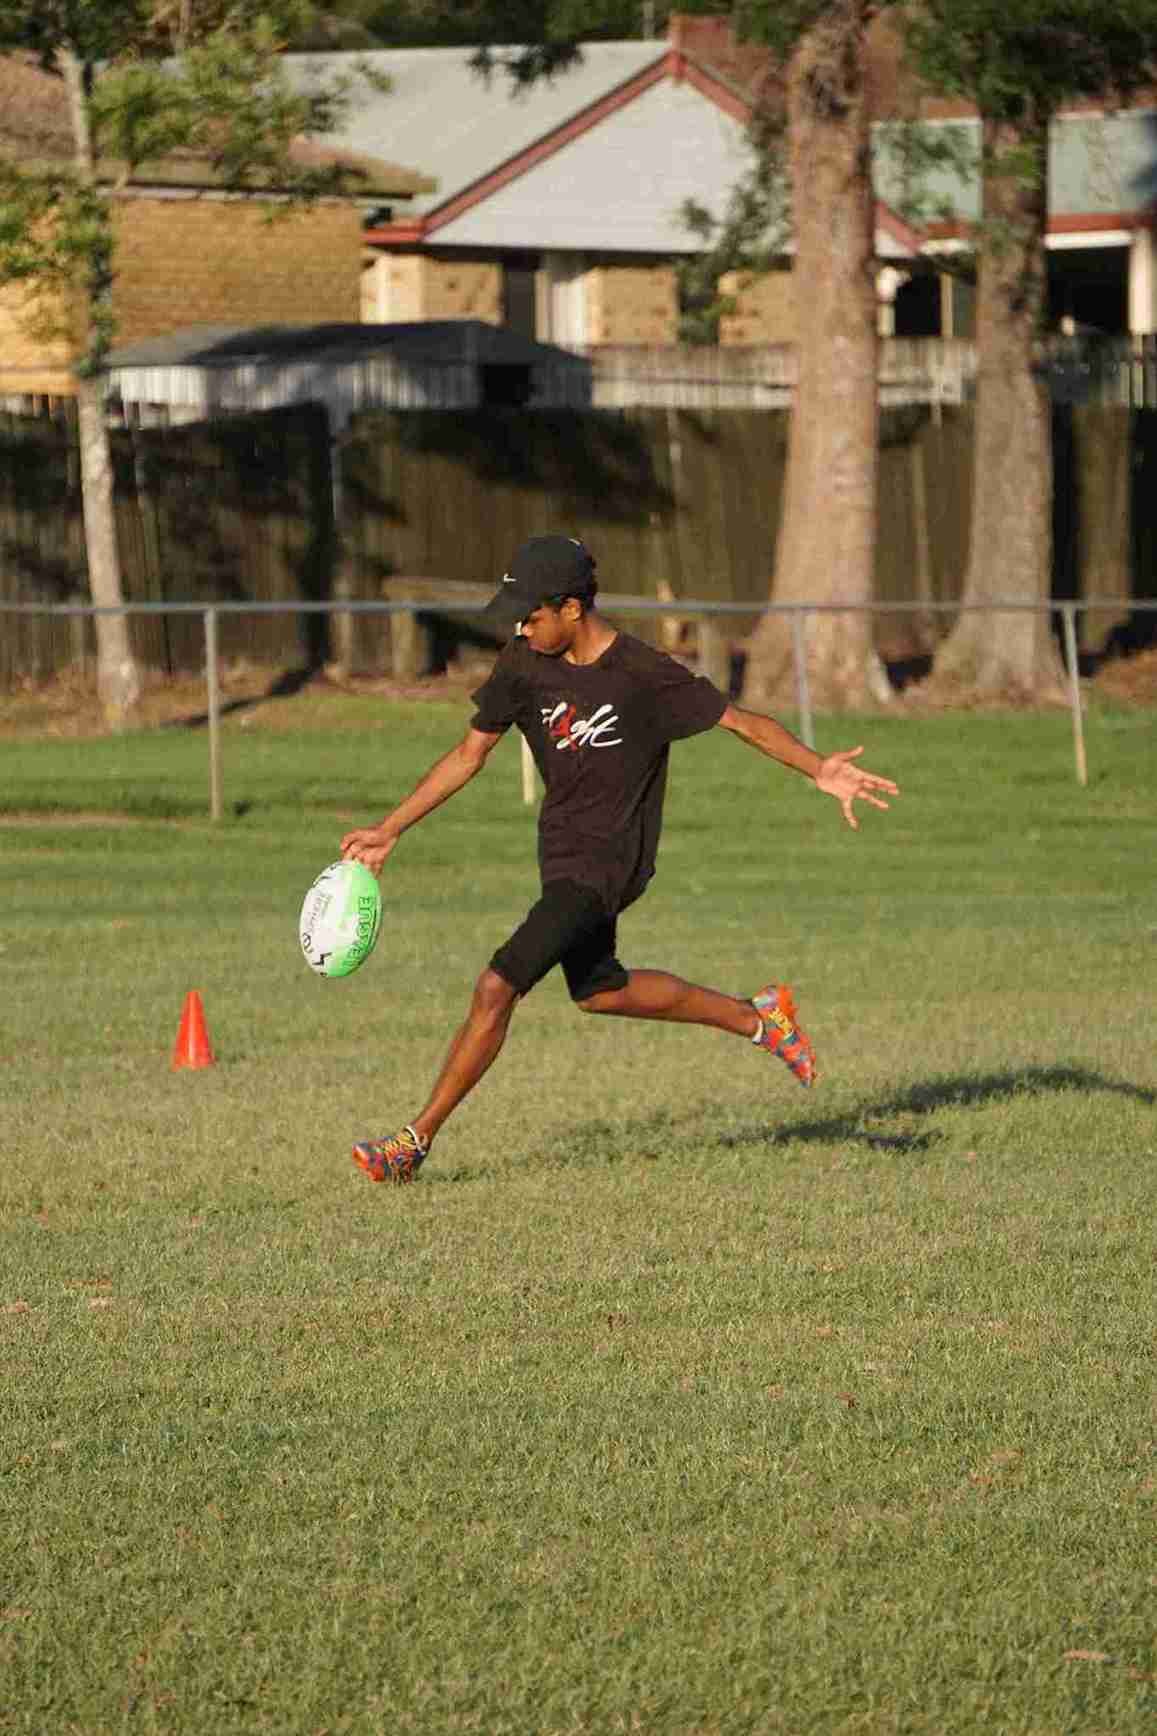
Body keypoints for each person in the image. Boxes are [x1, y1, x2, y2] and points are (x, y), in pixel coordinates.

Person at [341, 535, 899, 1183]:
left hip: (610, 864)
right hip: (560, 856)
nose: (520, 627)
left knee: (497, 985)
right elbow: (469, 754)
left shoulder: (642, 674)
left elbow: (744, 723)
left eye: (531, 615)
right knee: (600, 990)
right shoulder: (523, 663)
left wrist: (819, 769)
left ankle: (412, 1143)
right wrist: (391, 829)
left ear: (572, 608)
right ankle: (758, 1017)